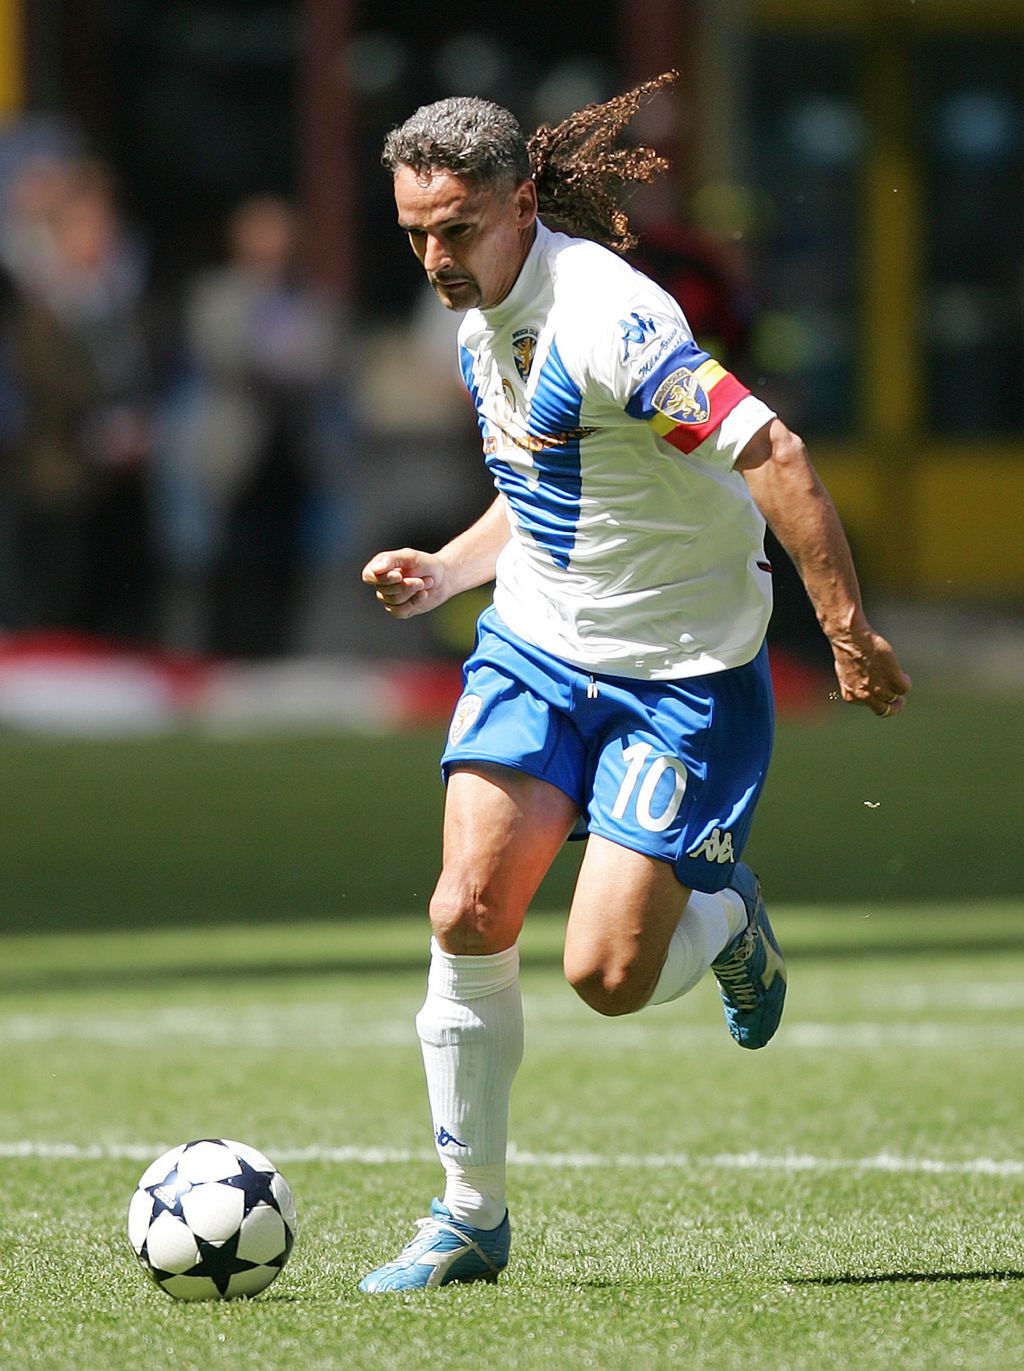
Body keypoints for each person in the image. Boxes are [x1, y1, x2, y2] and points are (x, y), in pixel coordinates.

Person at [359, 74, 911, 1292]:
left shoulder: (611, 320)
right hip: (537, 647)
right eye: (415, 231)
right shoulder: (474, 326)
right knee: (465, 910)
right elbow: (544, 490)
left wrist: (843, 628)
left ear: (520, 203)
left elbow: (772, 450)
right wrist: (446, 572)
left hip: (681, 673)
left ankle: (725, 921)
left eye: (455, 228)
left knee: (606, 977)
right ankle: (466, 1216)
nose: (436, 255)